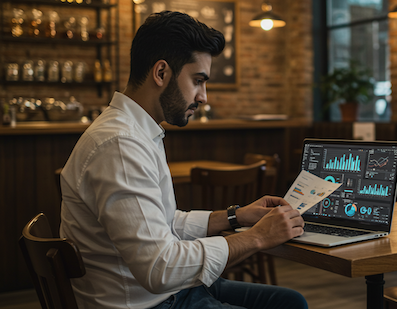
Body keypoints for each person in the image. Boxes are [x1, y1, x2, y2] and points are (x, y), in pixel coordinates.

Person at [59, 11, 307, 309]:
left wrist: (236, 216)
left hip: (164, 294)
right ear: (161, 73)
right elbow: (159, 269)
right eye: (198, 80)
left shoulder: (135, 130)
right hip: (149, 302)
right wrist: (256, 238)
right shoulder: (121, 145)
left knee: (290, 301)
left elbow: (163, 222)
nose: (203, 97)